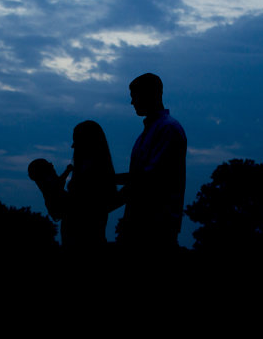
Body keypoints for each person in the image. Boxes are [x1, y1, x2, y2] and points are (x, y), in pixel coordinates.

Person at [114, 73, 187, 250]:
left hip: (156, 226)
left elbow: (148, 178)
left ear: (152, 94)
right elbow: (139, 180)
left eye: (135, 96)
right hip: (141, 224)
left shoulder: (167, 129)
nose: (132, 102)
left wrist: (110, 180)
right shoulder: (149, 133)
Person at [29, 120, 116, 249]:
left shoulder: (92, 172)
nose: (72, 146)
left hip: (81, 240)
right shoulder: (87, 171)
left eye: (76, 140)